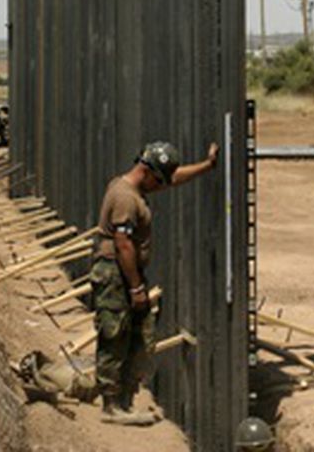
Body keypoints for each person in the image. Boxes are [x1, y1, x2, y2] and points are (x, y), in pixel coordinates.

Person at [91, 138, 219, 426]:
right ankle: (111, 406)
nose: (161, 186)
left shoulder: (136, 186)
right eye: (158, 180)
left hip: (125, 272)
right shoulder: (125, 196)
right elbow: (123, 243)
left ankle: (123, 400)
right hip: (116, 273)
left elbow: (172, 179)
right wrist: (136, 287)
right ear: (146, 171)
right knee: (114, 334)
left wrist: (207, 166)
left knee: (136, 334)